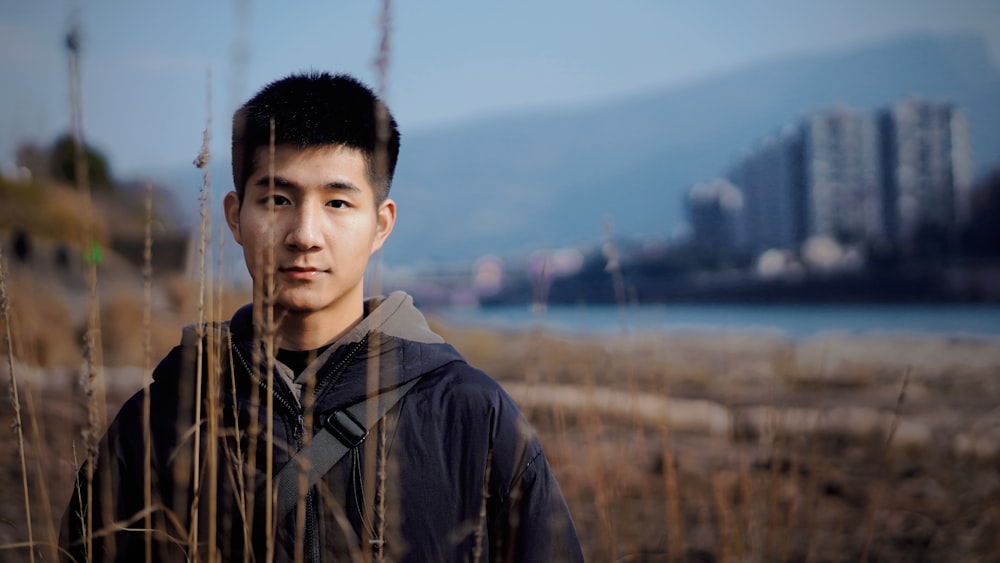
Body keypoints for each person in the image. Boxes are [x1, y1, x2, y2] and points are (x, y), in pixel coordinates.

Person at [60, 72, 583, 562]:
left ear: (381, 225)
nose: (305, 234)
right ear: (235, 218)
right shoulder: (164, 416)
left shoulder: (470, 413)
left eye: (337, 203)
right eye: (278, 198)